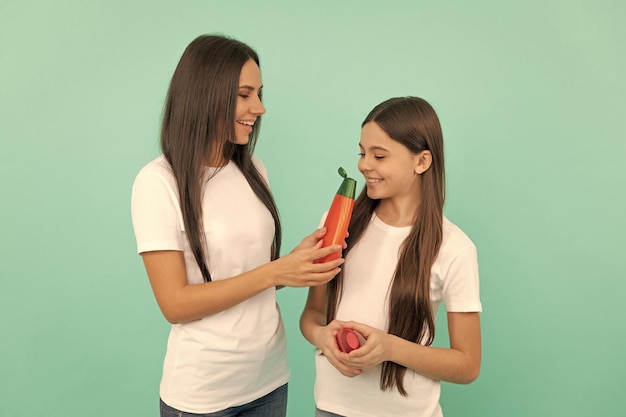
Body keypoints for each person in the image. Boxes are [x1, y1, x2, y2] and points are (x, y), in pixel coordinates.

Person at [131, 34, 344, 417]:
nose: (259, 108)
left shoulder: (253, 170)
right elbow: (175, 304)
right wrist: (274, 272)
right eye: (244, 94)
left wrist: (293, 265)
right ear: (205, 93)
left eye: (259, 93)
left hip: (269, 380)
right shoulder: (158, 182)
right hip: (203, 396)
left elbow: (250, 275)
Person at [300, 96, 482, 417]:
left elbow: (467, 365)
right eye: (362, 152)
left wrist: (390, 348)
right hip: (330, 409)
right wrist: (321, 337)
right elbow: (312, 315)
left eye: (379, 155)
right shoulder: (339, 223)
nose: (363, 164)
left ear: (422, 161)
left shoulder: (455, 248)